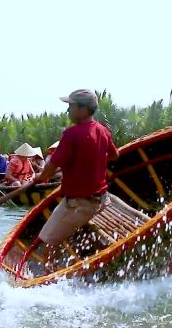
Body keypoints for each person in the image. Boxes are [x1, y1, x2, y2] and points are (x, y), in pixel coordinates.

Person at [16, 89, 119, 276]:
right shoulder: (103, 131)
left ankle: (48, 277)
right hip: (102, 200)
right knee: (54, 227)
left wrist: (40, 178)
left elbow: (50, 168)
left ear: (83, 109)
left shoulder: (72, 134)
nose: (67, 111)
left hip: (79, 203)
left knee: (45, 240)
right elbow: (114, 154)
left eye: (71, 106)